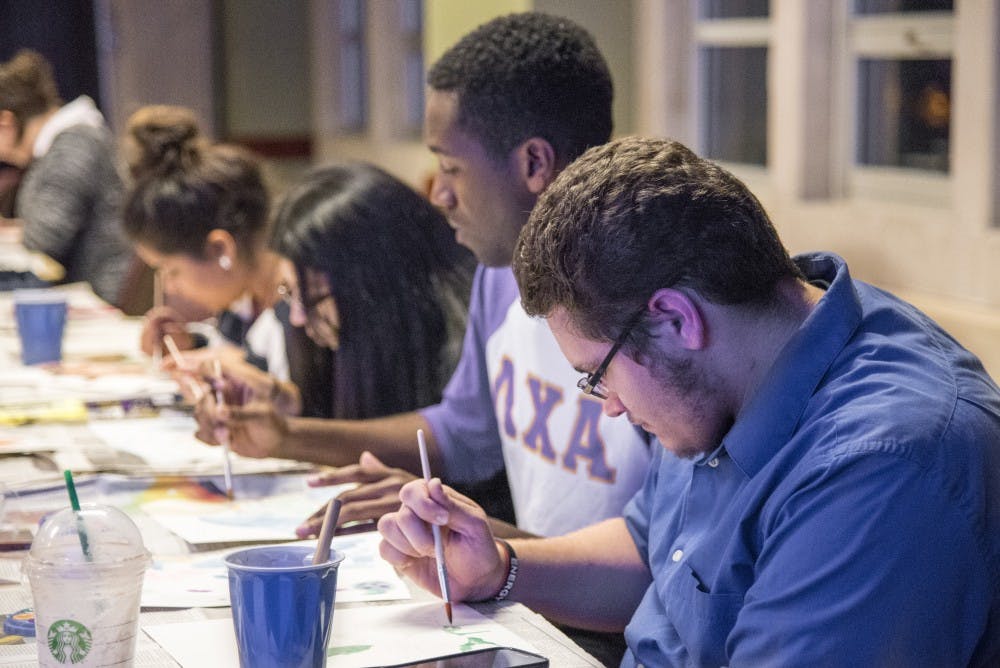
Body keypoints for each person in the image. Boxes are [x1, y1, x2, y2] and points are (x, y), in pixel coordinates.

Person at [377, 136, 1000, 667]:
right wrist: (502, 570)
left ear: (676, 319)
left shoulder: (884, 466)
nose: (608, 406)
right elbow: (653, 549)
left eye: (598, 374)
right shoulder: (737, 365)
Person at [201, 11, 651, 539]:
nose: (438, 194)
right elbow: (461, 433)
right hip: (536, 599)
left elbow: (649, 560)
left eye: (451, 167)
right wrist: (286, 436)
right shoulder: (498, 273)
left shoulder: (645, 307)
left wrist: (482, 538)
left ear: (534, 164)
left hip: (592, 615)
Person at [121, 105, 288, 380]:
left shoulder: (301, 311)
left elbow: (296, 402)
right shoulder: (244, 298)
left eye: (172, 270)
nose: (170, 286)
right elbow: (239, 351)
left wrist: (247, 369)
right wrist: (193, 345)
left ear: (221, 250)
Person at [0, 49, 132, 305]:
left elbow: (45, 239)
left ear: (5, 122)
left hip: (103, 299)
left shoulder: (75, 143)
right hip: (83, 293)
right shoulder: (64, 144)